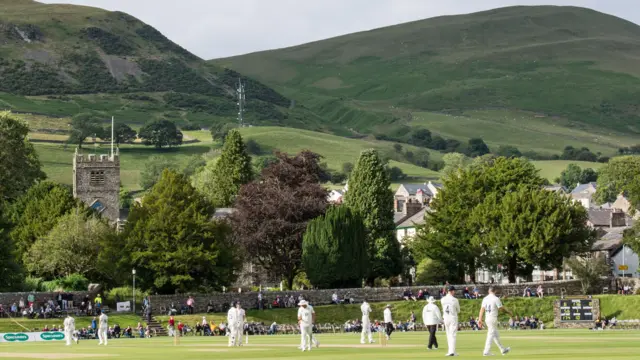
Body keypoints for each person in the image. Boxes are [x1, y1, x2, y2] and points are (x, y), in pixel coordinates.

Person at [478, 287, 512, 356]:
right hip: (493, 318)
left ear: (488, 291)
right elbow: (501, 308)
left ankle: (502, 349)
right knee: (490, 334)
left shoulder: (485, 299)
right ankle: (486, 351)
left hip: (487, 318)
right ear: (495, 291)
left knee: (495, 335)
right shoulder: (496, 298)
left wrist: (480, 319)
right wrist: (508, 312)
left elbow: (482, 310)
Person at [441, 286, 460, 357]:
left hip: (446, 317)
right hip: (453, 318)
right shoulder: (455, 300)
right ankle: (452, 351)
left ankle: (452, 351)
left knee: (448, 334)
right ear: (451, 291)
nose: (454, 292)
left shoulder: (442, 299)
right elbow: (458, 310)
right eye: (454, 291)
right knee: (453, 335)